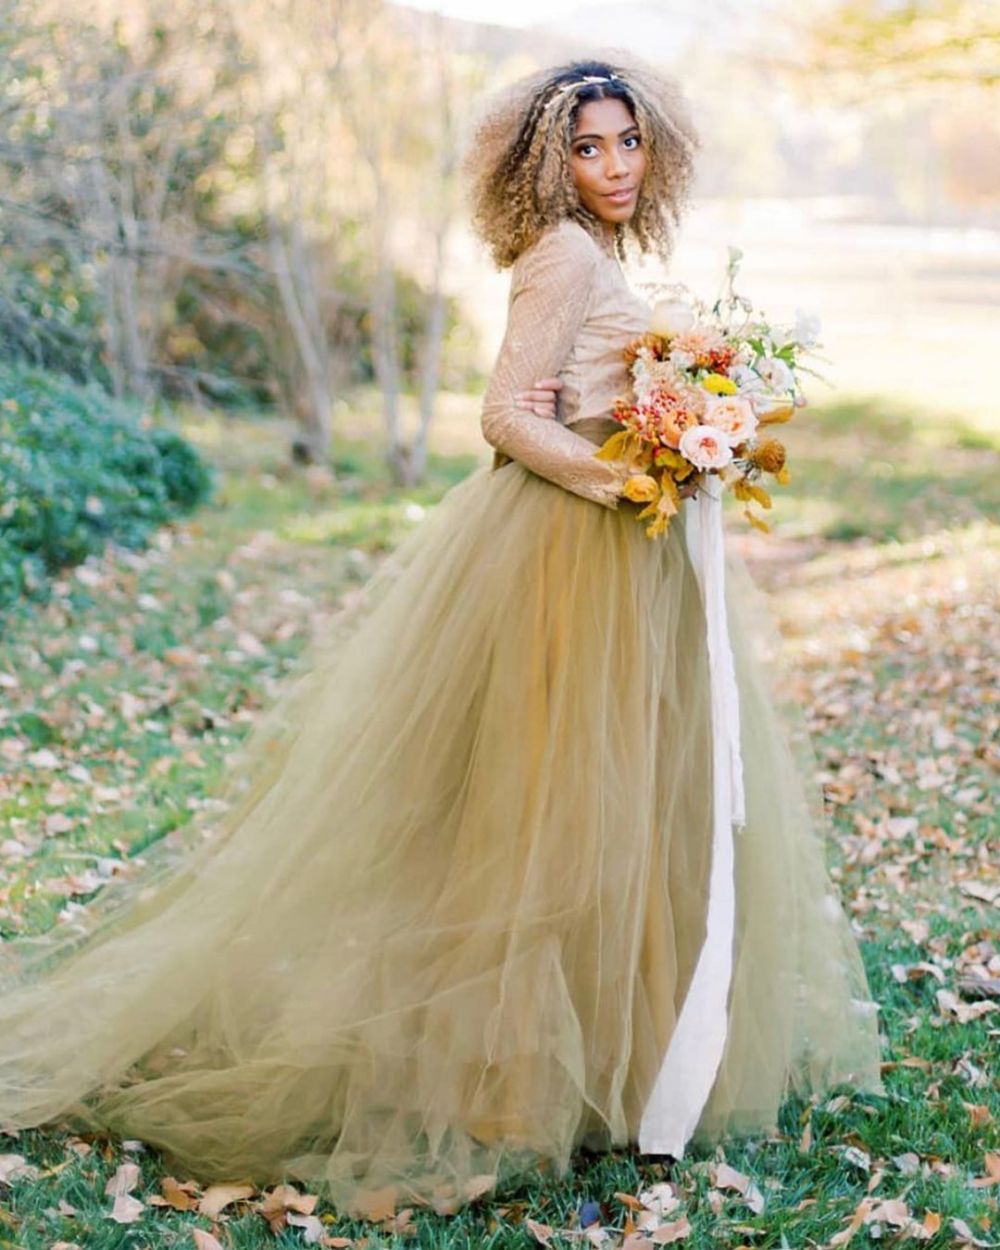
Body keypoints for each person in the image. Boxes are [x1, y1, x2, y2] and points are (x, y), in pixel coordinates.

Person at [0, 53, 885, 1221]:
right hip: (569, 553)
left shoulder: (597, 250)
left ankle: (611, 1062)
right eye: (586, 147)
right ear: (544, 162)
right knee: (544, 814)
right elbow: (506, 413)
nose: (613, 165)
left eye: (627, 142)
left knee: (620, 805)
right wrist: (628, 477)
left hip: (629, 554)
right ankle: (507, 1077)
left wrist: (691, 430)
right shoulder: (563, 253)